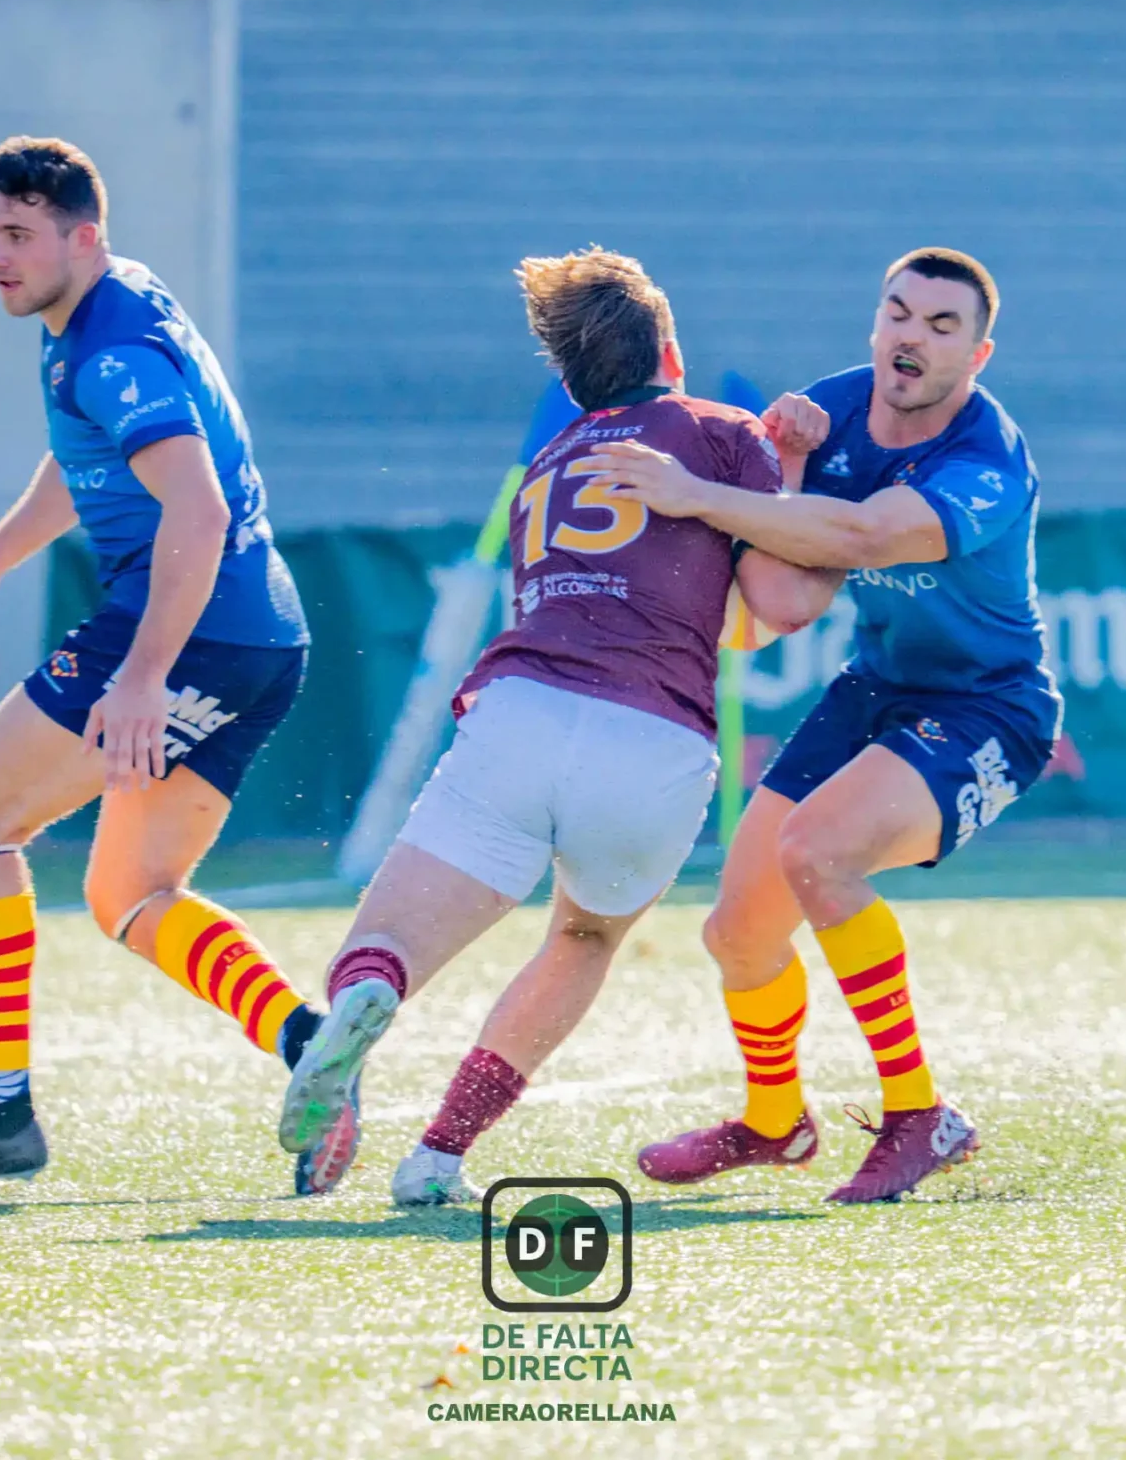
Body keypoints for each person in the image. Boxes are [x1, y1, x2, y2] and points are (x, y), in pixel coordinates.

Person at [276, 248, 838, 1205]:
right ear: (669, 349)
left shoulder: (548, 463)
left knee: (384, 943)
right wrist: (798, 476)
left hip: (520, 717)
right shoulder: (722, 429)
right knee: (581, 939)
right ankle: (438, 1153)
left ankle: (373, 991)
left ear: (573, 380)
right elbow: (770, 609)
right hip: (652, 742)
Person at [0, 136, 347, 1195]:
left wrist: (141, 676)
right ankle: (312, 1044)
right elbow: (86, 455)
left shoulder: (106, 349)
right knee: (128, 891)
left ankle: (0, 1113)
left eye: (20, 234)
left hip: (187, 625)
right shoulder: (109, 306)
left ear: (83, 235)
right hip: (263, 637)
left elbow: (197, 510)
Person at [589, 248, 1062, 1204]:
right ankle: (775, 1122)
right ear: (876, 322)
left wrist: (696, 495)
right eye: (899, 313)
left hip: (988, 707)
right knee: (738, 932)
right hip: (874, 688)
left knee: (819, 852)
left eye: (942, 326)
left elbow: (862, 536)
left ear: (978, 355)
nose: (912, 337)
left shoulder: (987, 458)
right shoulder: (830, 410)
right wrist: (792, 462)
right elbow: (782, 606)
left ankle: (921, 1114)